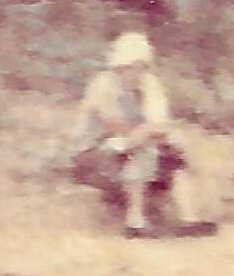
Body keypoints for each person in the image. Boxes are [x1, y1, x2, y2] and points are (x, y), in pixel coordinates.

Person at [68, 28, 189, 236]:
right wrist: (147, 132)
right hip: (93, 152)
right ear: (119, 66)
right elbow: (116, 125)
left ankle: (188, 219)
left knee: (176, 148)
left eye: (141, 66)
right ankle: (135, 221)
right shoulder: (103, 85)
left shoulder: (150, 83)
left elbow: (160, 122)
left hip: (130, 143)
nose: (135, 72)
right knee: (144, 150)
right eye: (130, 66)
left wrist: (150, 132)